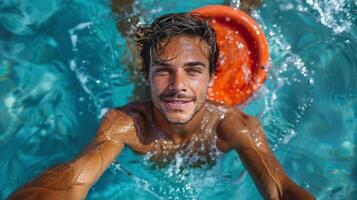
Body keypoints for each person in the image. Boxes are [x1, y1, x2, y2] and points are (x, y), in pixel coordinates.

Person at [9, 13, 315, 200]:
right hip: (144, 89)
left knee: (240, 13)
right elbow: (73, 178)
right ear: (149, 76)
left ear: (211, 78)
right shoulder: (129, 124)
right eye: (163, 70)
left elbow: (280, 190)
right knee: (129, 28)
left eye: (193, 70)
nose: (178, 85)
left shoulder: (233, 126)